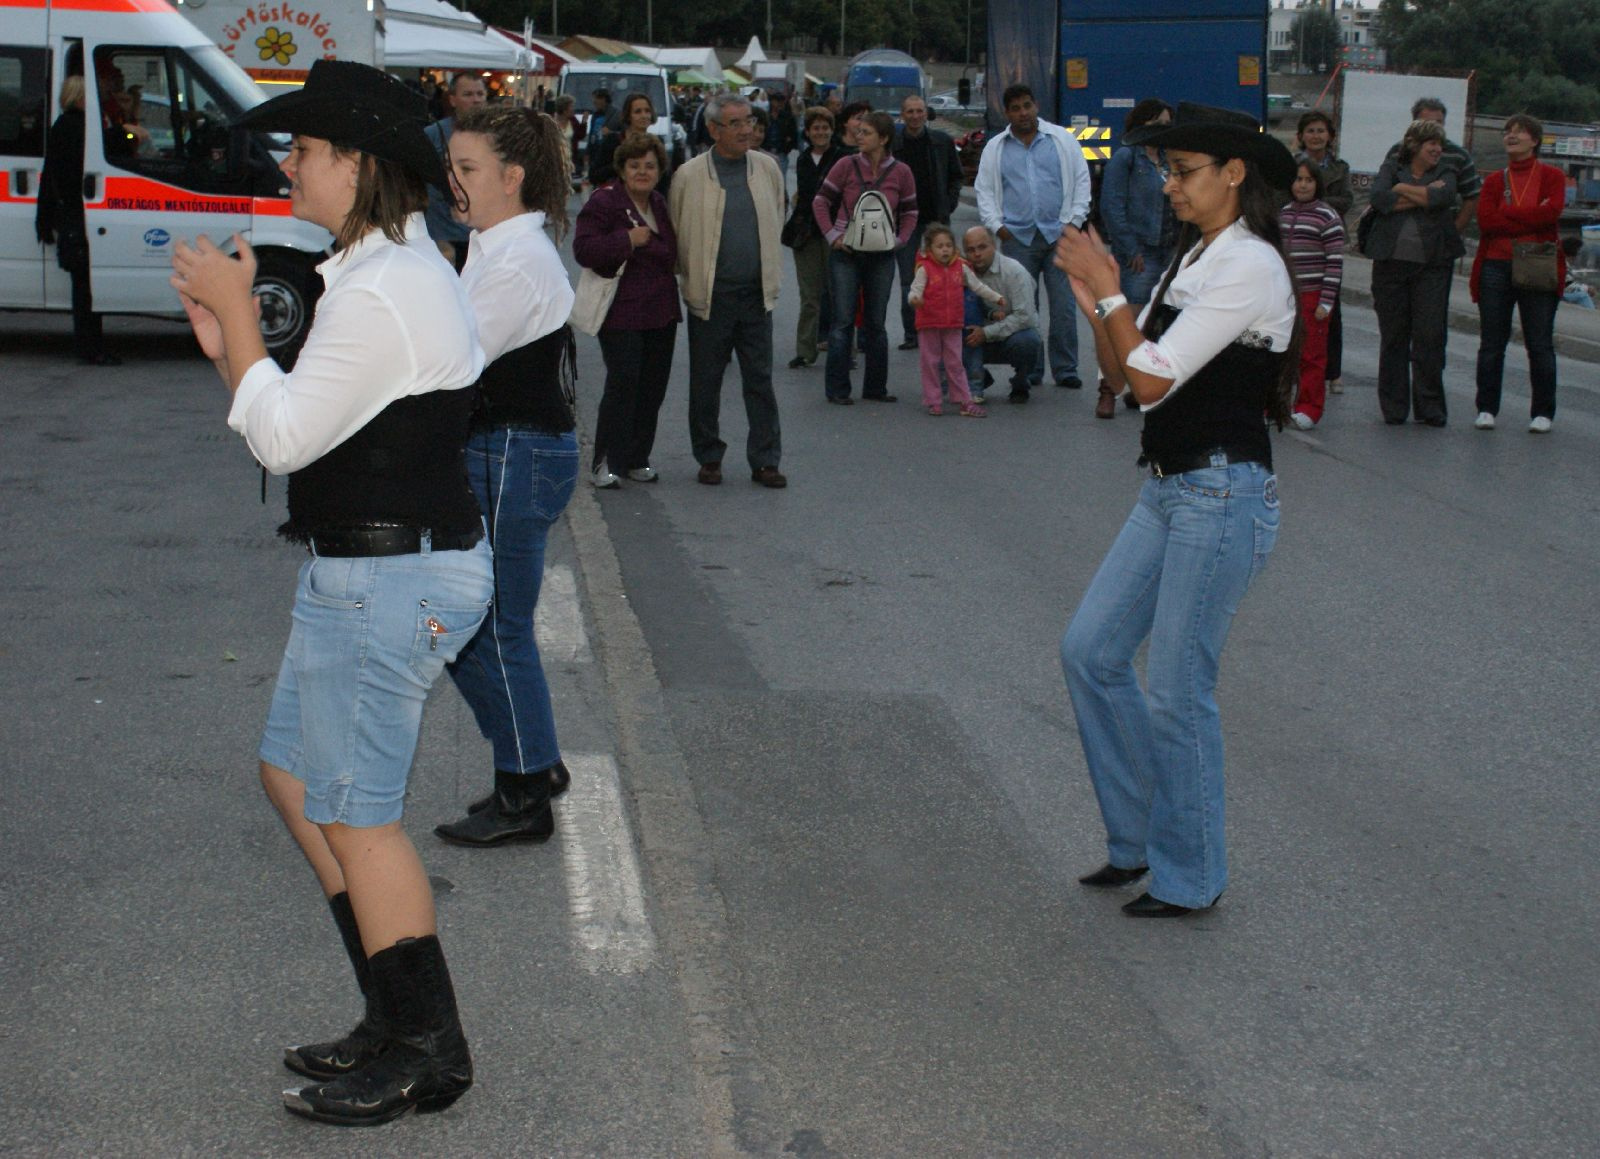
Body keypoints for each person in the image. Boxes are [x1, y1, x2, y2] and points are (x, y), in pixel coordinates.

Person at [169, 59, 492, 1124]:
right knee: (295, 780)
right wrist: (232, 345)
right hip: (364, 565)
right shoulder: (375, 273)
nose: (289, 165)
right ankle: (393, 1018)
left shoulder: (389, 288)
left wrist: (237, 323)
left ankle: (425, 1050)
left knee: (358, 818)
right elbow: (288, 415)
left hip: (389, 573)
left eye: (304, 151)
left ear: (357, 166)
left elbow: (288, 431)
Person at [1054, 102, 1297, 918]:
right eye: (1164, 170)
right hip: (1169, 486)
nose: (1168, 185)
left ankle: (1190, 875)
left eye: (1182, 169)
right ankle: (1136, 843)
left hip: (1222, 493)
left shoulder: (1252, 266)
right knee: (1090, 650)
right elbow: (1123, 377)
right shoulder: (1192, 258)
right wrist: (1098, 299)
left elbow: (1153, 380)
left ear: (1235, 173)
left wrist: (1109, 290)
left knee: (1178, 690)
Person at [431, 106, 579, 847]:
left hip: (515, 452)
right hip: (505, 450)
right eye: (451, 166)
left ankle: (525, 790)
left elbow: (449, 362)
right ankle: (532, 762)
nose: (452, 182)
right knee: (465, 624)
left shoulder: (517, 260)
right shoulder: (495, 247)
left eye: (467, 170)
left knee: (482, 627)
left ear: (512, 177)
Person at [668, 91, 788, 488]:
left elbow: (778, 212)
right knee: (706, 381)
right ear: (713, 128)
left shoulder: (767, 169)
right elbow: (677, 225)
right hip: (711, 296)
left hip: (755, 295)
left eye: (749, 121)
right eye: (734, 123)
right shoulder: (689, 175)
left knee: (760, 380)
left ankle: (766, 460)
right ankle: (709, 456)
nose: (745, 130)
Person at [575, 132, 680, 485]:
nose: (642, 172)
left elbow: (670, 253)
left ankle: (637, 457)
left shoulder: (660, 204)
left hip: (661, 312)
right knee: (623, 383)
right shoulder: (604, 203)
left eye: (650, 166)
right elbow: (584, 251)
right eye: (635, 165)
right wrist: (626, 240)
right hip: (621, 313)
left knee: (652, 387)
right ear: (621, 169)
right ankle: (606, 462)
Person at [975, 84, 1092, 393]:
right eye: (1015, 108)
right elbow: (984, 190)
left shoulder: (1061, 140)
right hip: (1017, 238)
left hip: (1059, 236)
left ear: (1036, 105)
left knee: (1064, 306)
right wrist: (997, 227)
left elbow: (1081, 180)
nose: (1023, 112)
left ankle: (1066, 369)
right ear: (1007, 113)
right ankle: (1031, 369)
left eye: (1027, 105)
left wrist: (1073, 222)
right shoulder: (996, 147)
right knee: (1025, 308)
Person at [812, 110, 919, 404]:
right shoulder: (845, 165)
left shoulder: (901, 172)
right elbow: (821, 201)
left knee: (876, 323)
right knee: (842, 322)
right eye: (859, 131)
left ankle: (875, 388)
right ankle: (837, 390)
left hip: (882, 256)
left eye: (867, 132)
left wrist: (900, 240)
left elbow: (910, 211)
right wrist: (833, 237)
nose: (859, 137)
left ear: (883, 138)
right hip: (846, 254)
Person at [1471, 114, 1565, 434]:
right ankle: (1486, 408)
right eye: (1507, 132)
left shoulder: (1552, 176)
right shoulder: (1496, 180)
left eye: (1519, 132)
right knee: (1492, 342)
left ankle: (1542, 412)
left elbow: (1551, 215)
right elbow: (1486, 222)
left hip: (1537, 261)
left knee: (1538, 342)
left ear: (1534, 140)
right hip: (1496, 264)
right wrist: (1529, 218)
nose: (1511, 136)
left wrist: (1508, 213)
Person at [1367, 119, 1463, 427]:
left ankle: (1430, 407)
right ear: (1415, 147)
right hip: (1390, 265)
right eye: (1431, 144)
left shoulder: (1445, 171)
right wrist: (1419, 195)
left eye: (1439, 144)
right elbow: (1380, 199)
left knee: (1429, 336)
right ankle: (1394, 408)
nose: (1437, 149)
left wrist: (1402, 190)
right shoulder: (1390, 167)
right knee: (1394, 337)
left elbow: (1443, 198)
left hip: (1432, 266)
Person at [1096, 98, 1176, 417]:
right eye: (1157, 123)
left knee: (1154, 325)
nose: (1163, 130)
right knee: (1123, 324)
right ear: (1140, 125)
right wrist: (1129, 249)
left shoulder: (1172, 160)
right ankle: (1107, 391)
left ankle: (1138, 385)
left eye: (1168, 124)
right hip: (1138, 252)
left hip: (1169, 250)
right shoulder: (1126, 158)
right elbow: (1111, 207)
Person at [36, 75, 119, 367]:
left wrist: (44, 221)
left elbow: (50, 176)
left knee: (84, 287)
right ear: (82, 97)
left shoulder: (63, 125)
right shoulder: (77, 128)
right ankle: (90, 348)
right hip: (77, 217)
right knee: (85, 289)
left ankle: (90, 346)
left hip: (70, 217)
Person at [892, 94, 965, 349]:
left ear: (926, 113)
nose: (915, 116)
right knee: (908, 280)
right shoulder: (893, 143)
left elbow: (957, 176)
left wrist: (949, 202)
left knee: (941, 276)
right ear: (902, 114)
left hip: (936, 221)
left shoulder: (941, 142)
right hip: (904, 223)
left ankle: (938, 328)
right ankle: (912, 333)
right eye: (909, 111)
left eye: (919, 111)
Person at [905, 223, 1002, 416]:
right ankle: (934, 400)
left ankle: (964, 400)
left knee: (955, 363)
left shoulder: (961, 267)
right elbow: (915, 290)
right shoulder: (925, 268)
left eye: (948, 245)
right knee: (930, 362)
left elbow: (977, 286)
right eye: (940, 246)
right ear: (930, 248)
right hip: (929, 324)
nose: (945, 250)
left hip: (953, 324)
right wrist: (914, 300)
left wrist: (996, 297)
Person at [1281, 159, 1344, 430]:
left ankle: (1309, 407)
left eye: (1308, 180)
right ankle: (1276, 404)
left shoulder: (1327, 217)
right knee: (1281, 354)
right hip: (1285, 297)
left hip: (1313, 296)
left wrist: (1326, 302)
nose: (1302, 185)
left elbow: (1335, 263)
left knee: (1311, 356)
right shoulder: (1281, 214)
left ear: (1317, 184)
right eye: (1297, 179)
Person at [1295, 110, 1353, 394]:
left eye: (1321, 131)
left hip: (1328, 240)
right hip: (1298, 243)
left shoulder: (1340, 167)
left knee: (1331, 309)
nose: (1316, 136)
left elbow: (1346, 200)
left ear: (1329, 136)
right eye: (1311, 131)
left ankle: (1333, 372)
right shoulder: (1292, 165)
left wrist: (1316, 202)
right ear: (1301, 136)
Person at [786, 106, 847, 368]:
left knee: (838, 294)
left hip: (835, 231)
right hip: (807, 233)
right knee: (809, 295)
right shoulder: (802, 159)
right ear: (808, 132)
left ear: (832, 131)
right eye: (816, 128)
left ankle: (842, 350)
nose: (820, 132)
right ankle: (805, 350)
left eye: (825, 127)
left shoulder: (843, 158)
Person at [960, 225, 1043, 404]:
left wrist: (986, 333)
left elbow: (1025, 317)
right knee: (942, 336)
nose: (977, 254)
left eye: (982, 247)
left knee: (1028, 341)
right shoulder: (960, 273)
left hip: (1010, 336)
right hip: (973, 337)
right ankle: (978, 377)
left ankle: (1021, 381)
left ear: (994, 245)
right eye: (971, 250)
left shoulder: (1015, 272)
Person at [1384, 97, 1481, 237]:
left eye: (1439, 123)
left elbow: (1471, 197)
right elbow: (1382, 195)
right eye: (1427, 123)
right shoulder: (1397, 151)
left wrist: (1453, 232)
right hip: (1396, 234)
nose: (1434, 127)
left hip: (1438, 237)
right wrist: (1430, 194)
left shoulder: (1459, 156)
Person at [422, 72, 487, 270]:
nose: (475, 100)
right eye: (468, 94)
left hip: (482, 230)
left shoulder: (496, 134)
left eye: (480, 94)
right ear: (453, 99)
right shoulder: (434, 134)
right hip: (443, 233)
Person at [588, 92, 665, 189]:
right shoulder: (613, 141)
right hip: (616, 199)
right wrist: (622, 164)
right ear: (628, 115)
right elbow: (594, 175)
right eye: (638, 112)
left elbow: (663, 179)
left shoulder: (657, 143)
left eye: (647, 111)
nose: (644, 115)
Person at [761, 89, 800, 180]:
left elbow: (793, 135)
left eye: (781, 101)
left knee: (780, 180)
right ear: (771, 101)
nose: (779, 104)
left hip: (781, 153)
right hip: (766, 151)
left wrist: (787, 147)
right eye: (777, 101)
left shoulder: (788, 117)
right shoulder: (765, 116)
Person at [552, 94, 585, 188]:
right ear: (564, 109)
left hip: (569, 161)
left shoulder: (573, 121)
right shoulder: (551, 121)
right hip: (554, 161)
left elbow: (580, 135)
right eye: (571, 106)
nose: (573, 109)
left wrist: (584, 122)